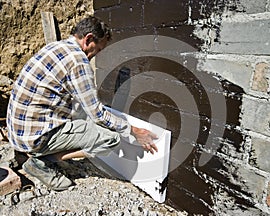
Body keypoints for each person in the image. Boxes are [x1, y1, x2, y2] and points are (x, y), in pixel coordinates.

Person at [6, 16, 158, 191]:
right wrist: (134, 130)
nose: (95, 55)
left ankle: (42, 153)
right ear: (88, 39)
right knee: (111, 139)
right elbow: (98, 114)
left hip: (17, 133)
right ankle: (44, 161)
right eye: (98, 49)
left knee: (79, 116)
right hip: (34, 139)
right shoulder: (78, 61)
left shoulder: (55, 47)